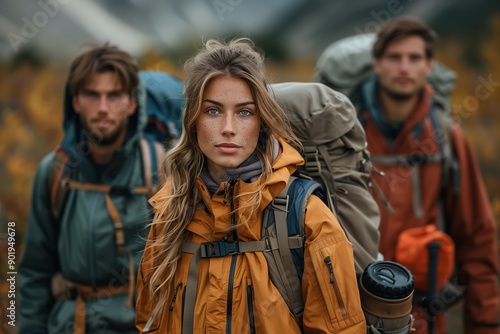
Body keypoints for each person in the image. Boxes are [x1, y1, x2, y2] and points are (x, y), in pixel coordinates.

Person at [135, 38, 366, 333]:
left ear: (262, 122)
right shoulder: (170, 212)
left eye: (244, 112)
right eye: (213, 111)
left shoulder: (307, 216)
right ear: (193, 120)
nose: (228, 128)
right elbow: (150, 322)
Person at [353, 17, 499, 334]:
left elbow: (477, 237)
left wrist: (485, 324)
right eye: (394, 57)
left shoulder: (446, 137)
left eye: (414, 58)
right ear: (376, 64)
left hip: (424, 314)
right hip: (352, 312)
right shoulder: (345, 133)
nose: (404, 67)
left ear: (429, 66)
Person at [19, 43, 165, 333]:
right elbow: (33, 272)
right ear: (75, 101)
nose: (102, 108)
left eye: (114, 96)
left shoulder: (161, 168)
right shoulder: (55, 172)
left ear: (132, 103)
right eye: (91, 95)